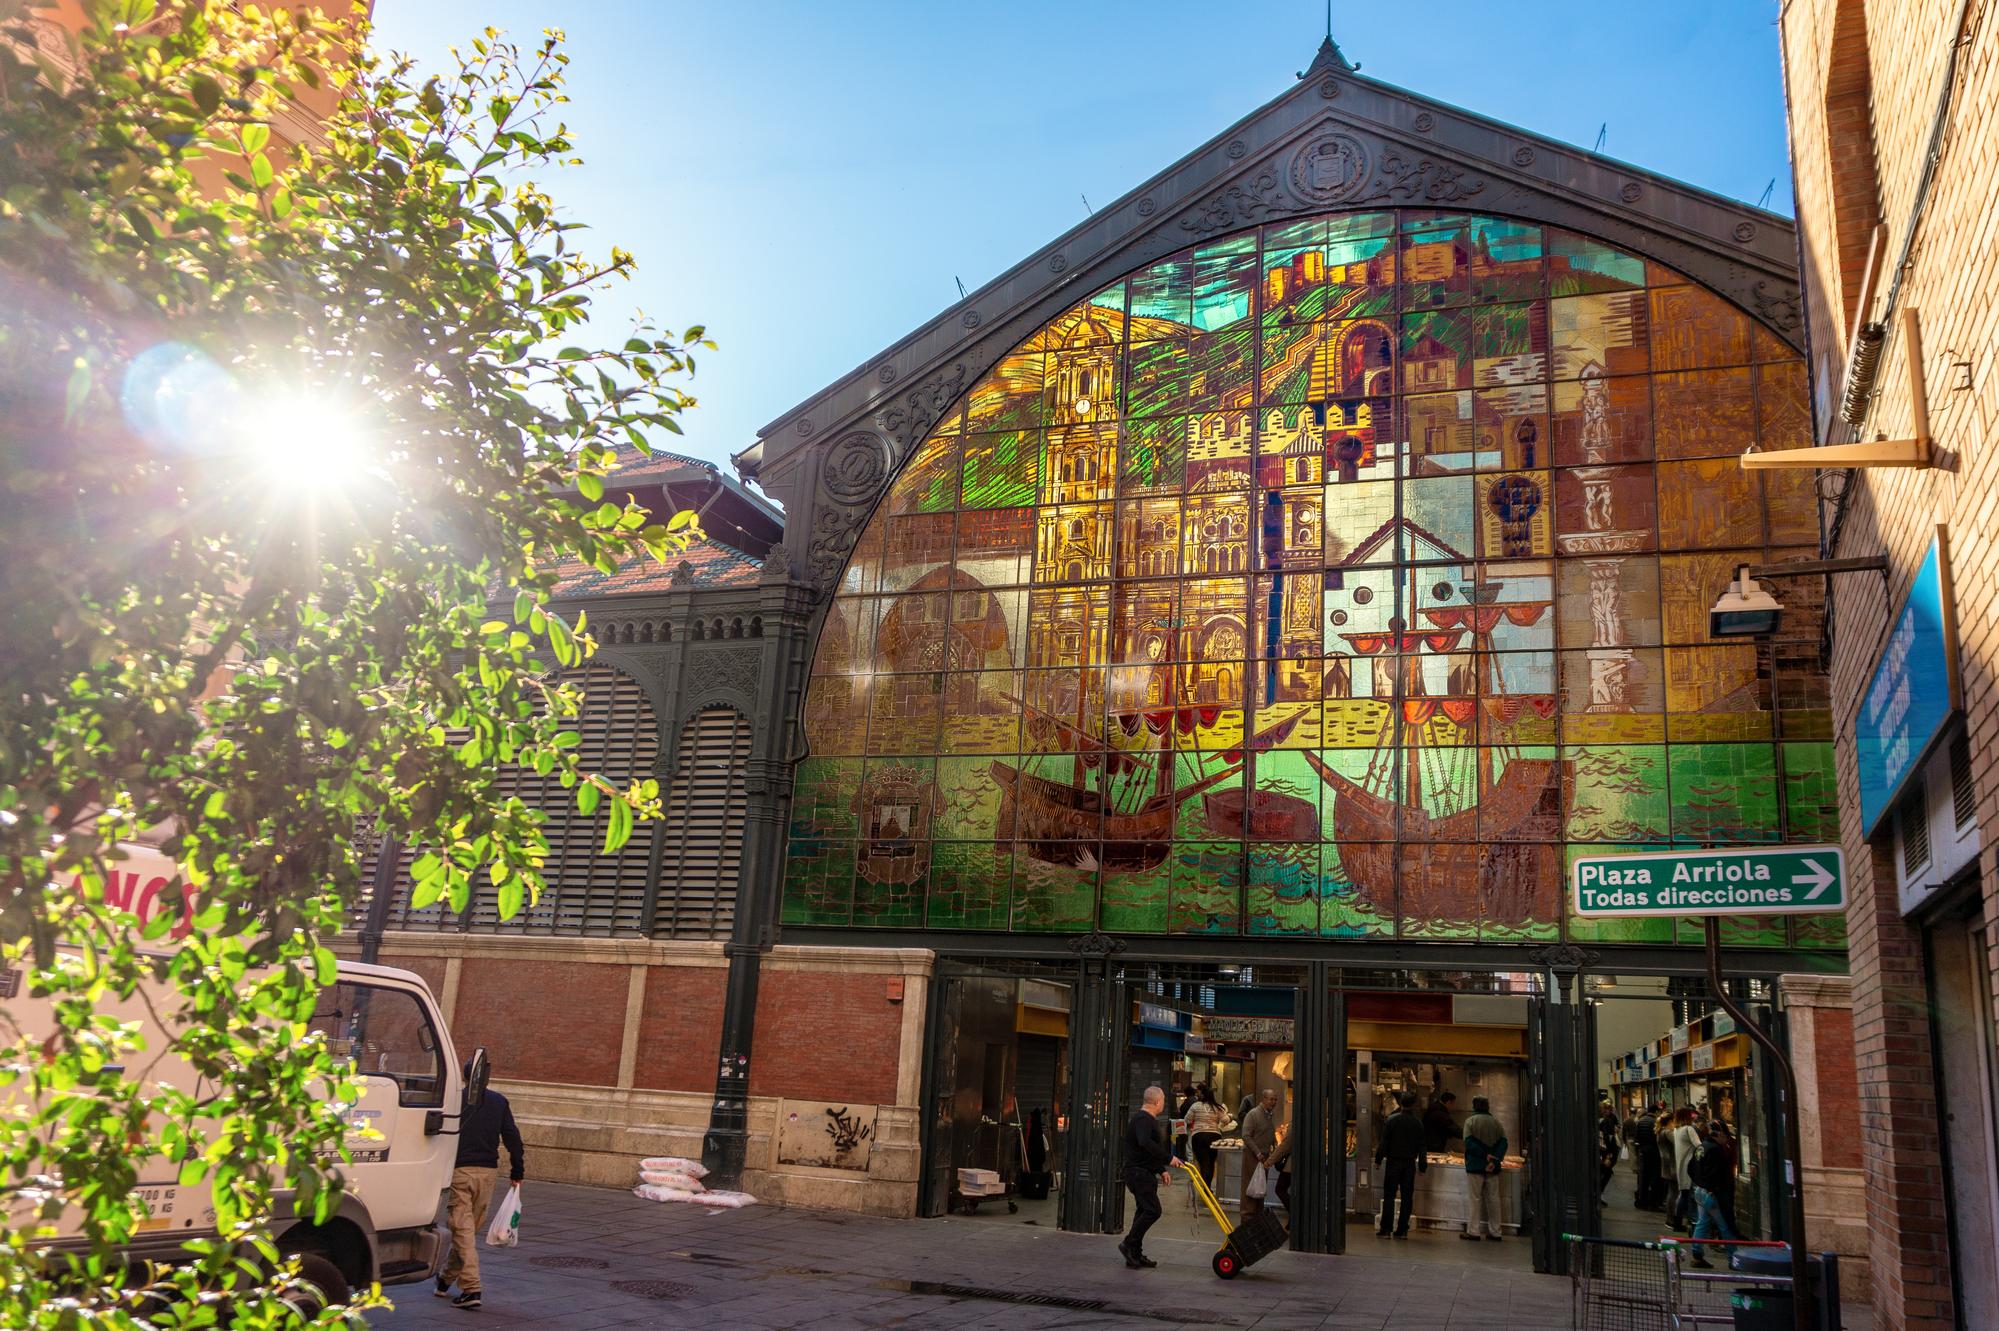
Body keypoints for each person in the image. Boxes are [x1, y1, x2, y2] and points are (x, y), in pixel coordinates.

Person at [437, 1064, 525, 1311]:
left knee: (463, 1230)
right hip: (487, 1174)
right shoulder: (499, 1102)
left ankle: (471, 1288)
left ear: (465, 1077)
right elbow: (513, 1140)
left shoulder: (455, 1100)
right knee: (466, 1230)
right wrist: (517, 1172)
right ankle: (444, 1280)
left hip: (460, 1172)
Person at [1119, 1085, 1181, 1270]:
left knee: (1143, 1211)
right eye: (1162, 1100)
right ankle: (1129, 1244)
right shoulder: (1143, 1119)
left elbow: (1146, 1151)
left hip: (1143, 1172)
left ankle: (1135, 1253)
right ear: (1156, 1101)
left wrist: (1161, 1169)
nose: (1163, 1103)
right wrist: (1169, 1158)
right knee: (1153, 1211)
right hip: (1138, 1173)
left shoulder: (1147, 1119)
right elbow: (1144, 1142)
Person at [1685, 1117, 1738, 1268]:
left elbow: (1691, 1168)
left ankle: (1697, 1253)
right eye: (1725, 1136)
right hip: (1712, 1193)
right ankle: (1733, 1258)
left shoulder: (1702, 1147)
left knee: (1703, 1222)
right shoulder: (1716, 1150)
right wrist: (1713, 1189)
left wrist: (1699, 1183)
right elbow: (1716, 1174)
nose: (1726, 1140)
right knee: (1725, 1225)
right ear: (1719, 1134)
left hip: (1700, 1190)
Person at [1373, 1090, 1427, 1238]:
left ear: (1400, 1103)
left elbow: (1384, 1143)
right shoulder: (1418, 1123)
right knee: (1407, 1197)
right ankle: (1402, 1230)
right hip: (1409, 1164)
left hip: (1393, 1163)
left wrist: (1378, 1159)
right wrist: (1422, 1166)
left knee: (1389, 1195)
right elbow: (1422, 1146)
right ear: (1413, 1104)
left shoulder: (1392, 1120)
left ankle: (1386, 1229)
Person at [1459, 1095, 1508, 1241]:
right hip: (1493, 1167)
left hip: (1475, 1165)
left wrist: (1484, 1154)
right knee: (1493, 1199)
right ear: (1488, 1107)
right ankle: (1496, 1231)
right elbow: (1504, 1142)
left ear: (1474, 1107)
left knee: (1475, 1199)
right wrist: (1495, 1158)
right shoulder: (1496, 1123)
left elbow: (1468, 1143)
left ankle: (1473, 1231)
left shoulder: (1470, 1122)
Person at [1239, 1088, 1282, 1218]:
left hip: (1264, 1157)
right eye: (1271, 1099)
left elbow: (1269, 1133)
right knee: (1250, 1186)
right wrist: (1257, 1152)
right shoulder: (1253, 1114)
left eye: (1275, 1099)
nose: (1274, 1102)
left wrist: (1275, 1146)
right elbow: (1246, 1136)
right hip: (1253, 1156)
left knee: (1260, 1187)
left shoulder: (1269, 1115)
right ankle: (1247, 1217)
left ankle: (1258, 1216)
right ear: (1264, 1099)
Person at [1182, 1083, 1229, 1187]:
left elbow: (1187, 1120)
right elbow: (1225, 1120)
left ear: (1203, 1095)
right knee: (1211, 1162)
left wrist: (1197, 1119)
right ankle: (1207, 1187)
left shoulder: (1196, 1106)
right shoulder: (1217, 1107)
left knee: (1203, 1162)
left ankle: (1205, 1187)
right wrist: (1221, 1122)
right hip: (1214, 1136)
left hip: (1199, 1136)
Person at [1671, 1108, 1703, 1233]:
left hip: (1681, 1166)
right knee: (1691, 1197)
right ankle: (1693, 1224)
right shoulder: (1689, 1129)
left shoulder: (1676, 1130)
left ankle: (1677, 1222)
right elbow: (1699, 1146)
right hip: (1690, 1168)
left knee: (1683, 1195)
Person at [1629, 1103, 1663, 1209]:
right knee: (1655, 1177)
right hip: (1654, 1152)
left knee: (1643, 1177)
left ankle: (1642, 1199)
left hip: (1643, 1151)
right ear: (1656, 1112)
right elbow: (1657, 1138)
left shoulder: (1640, 1121)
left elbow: (1636, 1137)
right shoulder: (1655, 1122)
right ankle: (1653, 1201)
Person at [1655, 1105, 1682, 1230]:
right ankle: (1671, 1219)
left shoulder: (1660, 1132)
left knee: (1672, 1192)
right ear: (1671, 1121)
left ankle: (1670, 1218)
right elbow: (1678, 1144)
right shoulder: (1668, 1133)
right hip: (1673, 1166)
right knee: (1674, 1193)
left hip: (1666, 1165)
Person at [1597, 1101, 1621, 1202]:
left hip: (1601, 1150)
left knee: (1604, 1171)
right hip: (1606, 1151)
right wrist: (1609, 1156)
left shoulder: (1603, 1121)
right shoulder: (1606, 1121)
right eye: (1604, 1108)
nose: (1606, 1111)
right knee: (1606, 1172)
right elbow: (1609, 1138)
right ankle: (1599, 1191)